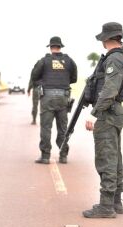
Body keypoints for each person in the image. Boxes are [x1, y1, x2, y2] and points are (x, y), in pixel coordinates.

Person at [82, 22, 123, 218]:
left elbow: (110, 90)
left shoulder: (115, 59)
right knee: (115, 158)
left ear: (107, 39)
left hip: (107, 114)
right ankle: (116, 202)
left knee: (106, 160)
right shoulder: (122, 57)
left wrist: (94, 113)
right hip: (114, 112)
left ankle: (106, 206)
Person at [31, 36, 77, 164]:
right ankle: (63, 155)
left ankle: (45, 156)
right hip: (63, 97)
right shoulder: (69, 61)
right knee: (63, 128)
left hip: (47, 97)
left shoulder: (43, 61)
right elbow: (74, 79)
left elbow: (34, 77)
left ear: (50, 47)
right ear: (60, 47)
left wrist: (44, 83)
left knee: (46, 127)